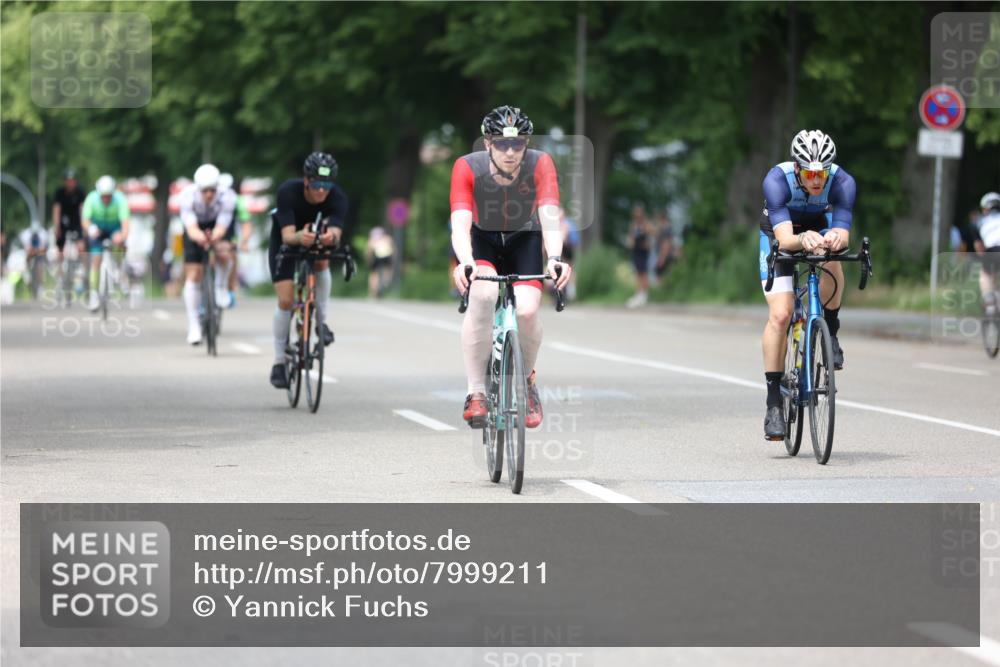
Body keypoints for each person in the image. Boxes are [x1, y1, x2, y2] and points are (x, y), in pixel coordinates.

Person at [450, 105, 572, 429]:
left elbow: (549, 215)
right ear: (487, 143)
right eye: (501, 144)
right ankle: (476, 392)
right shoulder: (466, 167)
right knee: (483, 295)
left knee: (529, 311)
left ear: (526, 144)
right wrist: (465, 263)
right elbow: (460, 224)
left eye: (517, 144)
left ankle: (527, 384)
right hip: (482, 241)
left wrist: (556, 258)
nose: (509, 151)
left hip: (524, 238)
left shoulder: (540, 164)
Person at [759, 129, 856, 440]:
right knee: (781, 314)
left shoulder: (842, 183)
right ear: (797, 167)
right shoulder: (777, 180)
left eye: (822, 172)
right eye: (810, 172)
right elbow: (787, 239)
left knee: (834, 258)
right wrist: (801, 239)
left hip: (818, 227)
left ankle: (832, 330)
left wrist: (836, 238)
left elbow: (843, 233)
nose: (817, 180)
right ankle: (774, 402)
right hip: (780, 232)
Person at [268, 151, 347, 389]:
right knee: (286, 301)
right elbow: (288, 236)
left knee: (323, 261)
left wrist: (327, 237)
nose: (321, 190)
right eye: (316, 184)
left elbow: (336, 235)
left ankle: (321, 321)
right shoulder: (287, 192)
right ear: (306, 180)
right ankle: (280, 361)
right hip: (286, 242)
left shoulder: (337, 197)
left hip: (315, 242)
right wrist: (302, 236)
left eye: (326, 185)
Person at [179, 163, 237, 344]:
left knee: (225, 252)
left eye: (212, 190)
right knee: (194, 273)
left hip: (217, 226)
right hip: (195, 228)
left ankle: (220, 286)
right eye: (205, 191)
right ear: (198, 189)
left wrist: (215, 239)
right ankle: (194, 324)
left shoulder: (228, 196)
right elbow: (191, 227)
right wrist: (201, 238)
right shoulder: (187, 196)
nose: (209, 194)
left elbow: (222, 225)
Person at [82, 175, 130, 310]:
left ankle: (119, 271)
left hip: (114, 228)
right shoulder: (91, 198)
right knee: (96, 259)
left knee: (119, 243)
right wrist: (90, 228)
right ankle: (93, 294)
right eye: (103, 196)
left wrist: (122, 236)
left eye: (109, 196)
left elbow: (126, 224)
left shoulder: (120, 200)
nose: (106, 199)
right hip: (97, 229)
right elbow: (85, 220)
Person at [52, 168, 87, 272]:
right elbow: (56, 210)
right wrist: (56, 226)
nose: (70, 183)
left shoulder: (80, 192)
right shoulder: (59, 193)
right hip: (64, 221)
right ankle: (60, 273)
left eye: (72, 180)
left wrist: (84, 226)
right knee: (60, 248)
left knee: (81, 246)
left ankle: (84, 271)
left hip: (76, 221)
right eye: (68, 180)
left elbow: (82, 210)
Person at [972, 191, 1000, 316]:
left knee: (986, 275)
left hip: (992, 251)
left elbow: (979, 247)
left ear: (985, 209)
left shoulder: (980, 222)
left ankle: (990, 305)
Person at [626, 204, 652, 308]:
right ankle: (638, 294)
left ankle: (645, 294)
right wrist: (630, 242)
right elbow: (631, 237)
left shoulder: (645, 224)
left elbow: (653, 234)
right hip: (636, 251)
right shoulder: (634, 225)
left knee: (643, 272)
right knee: (637, 272)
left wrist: (648, 243)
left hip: (643, 252)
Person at [18, 221, 50, 299]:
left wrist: (38, 251)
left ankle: (40, 285)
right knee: (26, 260)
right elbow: (27, 249)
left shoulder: (43, 235)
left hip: (39, 252)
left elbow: (44, 249)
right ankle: (27, 274)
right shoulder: (26, 235)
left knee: (41, 266)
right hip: (30, 252)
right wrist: (31, 252)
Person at [366, 226, 395, 298]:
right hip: (387, 257)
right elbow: (394, 250)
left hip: (377, 257)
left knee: (373, 274)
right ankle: (386, 281)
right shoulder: (387, 238)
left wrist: (369, 260)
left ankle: (373, 291)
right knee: (388, 270)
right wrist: (393, 259)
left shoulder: (372, 240)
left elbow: (368, 251)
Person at [653, 211, 674, 284]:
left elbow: (666, 244)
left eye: (657, 219)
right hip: (664, 255)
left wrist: (662, 258)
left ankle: (662, 292)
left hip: (664, 255)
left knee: (660, 273)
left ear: (662, 219)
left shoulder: (666, 229)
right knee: (662, 273)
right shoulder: (666, 228)